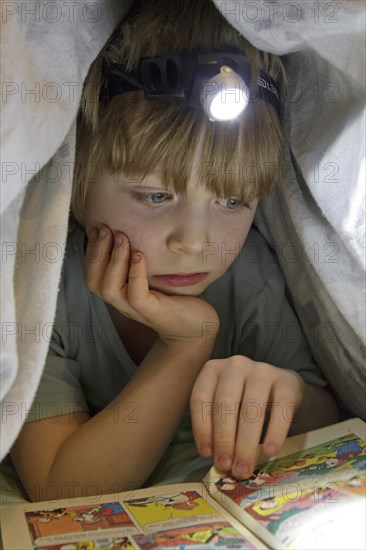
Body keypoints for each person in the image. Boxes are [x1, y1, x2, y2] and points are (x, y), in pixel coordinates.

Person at [10, 0, 338, 501]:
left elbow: (332, 415)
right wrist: (187, 344)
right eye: (156, 196)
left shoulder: (249, 274)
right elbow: (62, 489)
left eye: (232, 200)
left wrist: (289, 396)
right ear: (76, 180)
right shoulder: (42, 288)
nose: (195, 242)